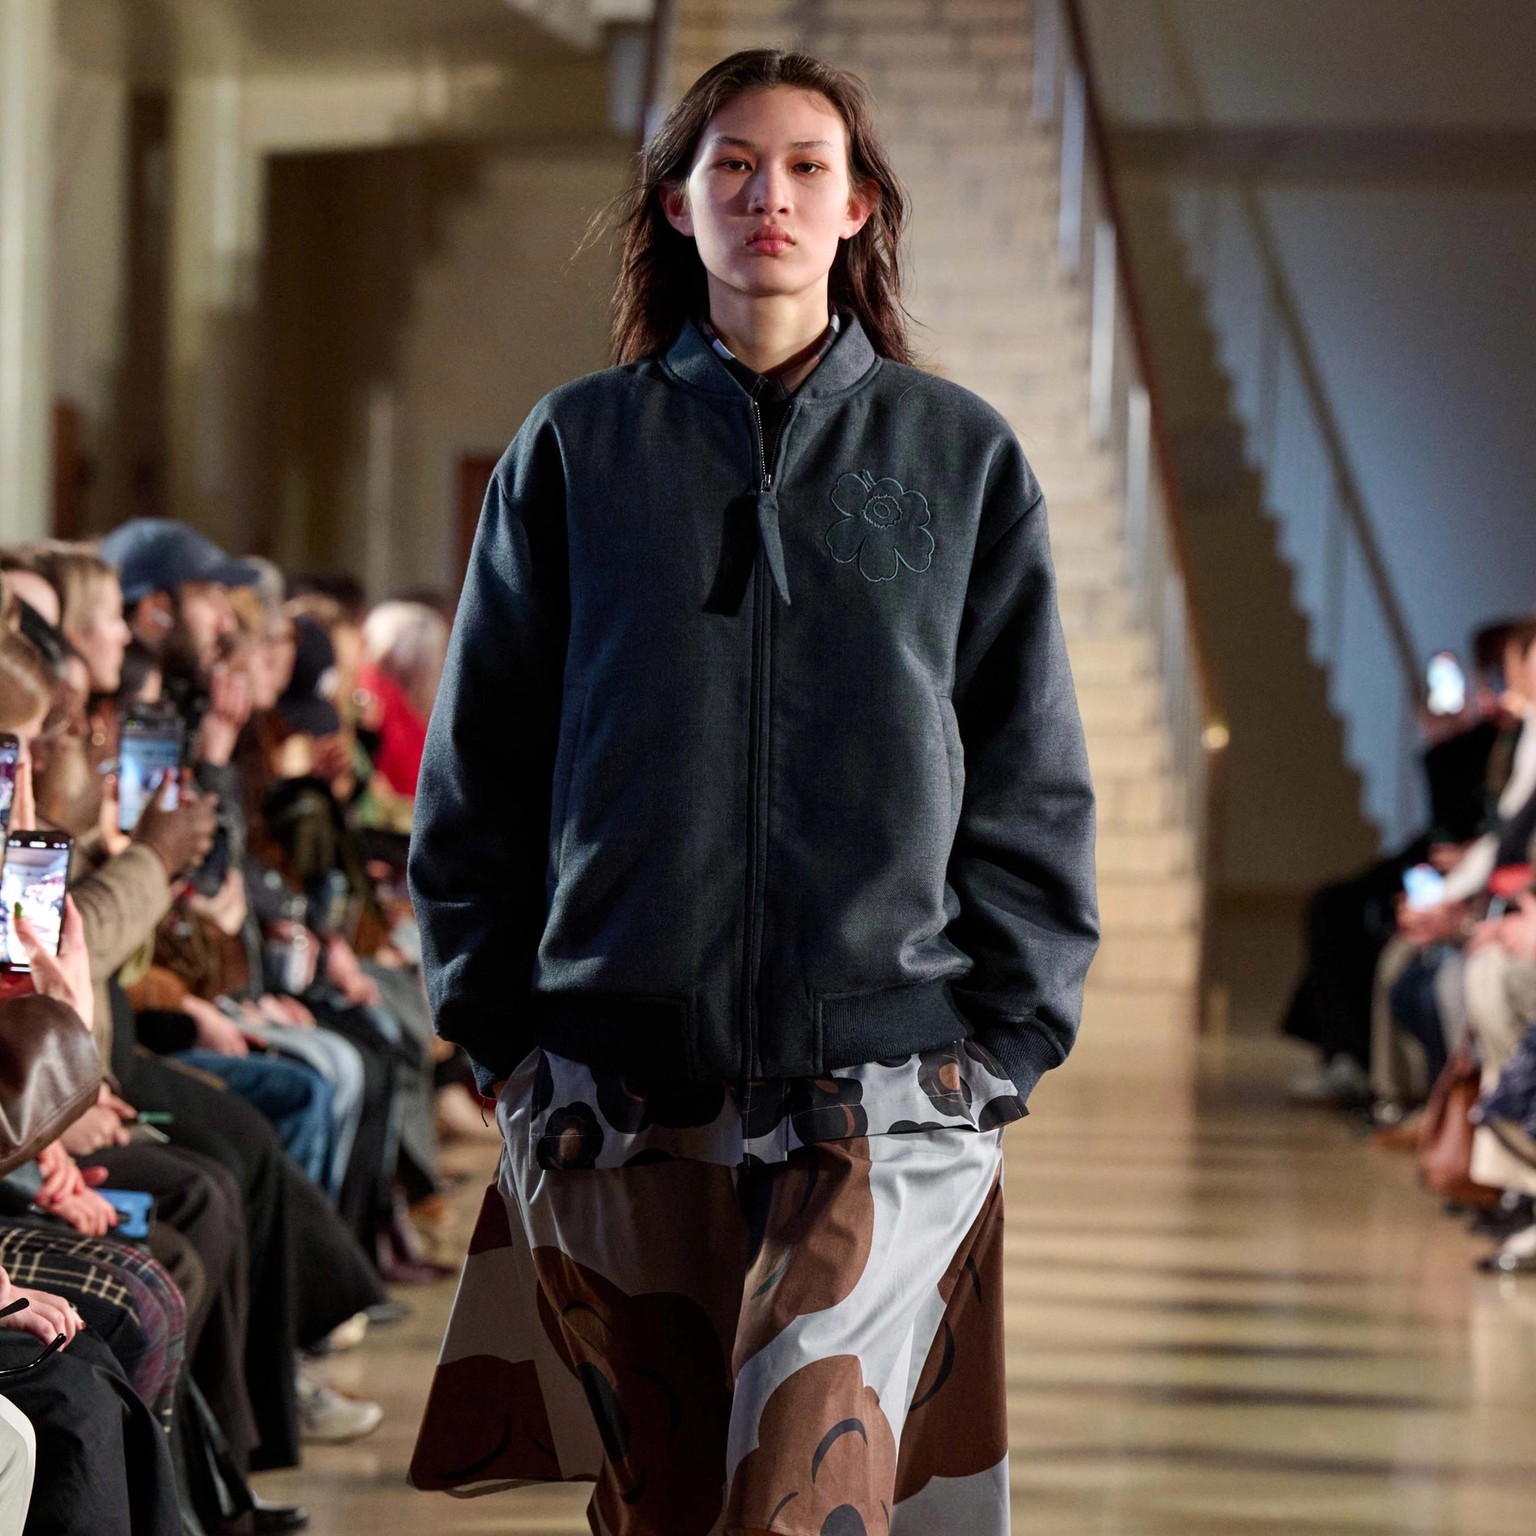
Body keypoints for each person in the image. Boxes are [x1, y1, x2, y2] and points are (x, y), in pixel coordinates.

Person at [409, 49, 1097, 1534]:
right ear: (677, 204)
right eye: (731, 164)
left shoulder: (959, 455)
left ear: (857, 207)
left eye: (803, 167)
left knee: (797, 1496)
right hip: (612, 1087)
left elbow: (1029, 766)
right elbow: (479, 764)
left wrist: (1011, 1039)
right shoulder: (575, 449)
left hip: (884, 1089)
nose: (766, 194)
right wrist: (496, 1030)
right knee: (656, 1507)